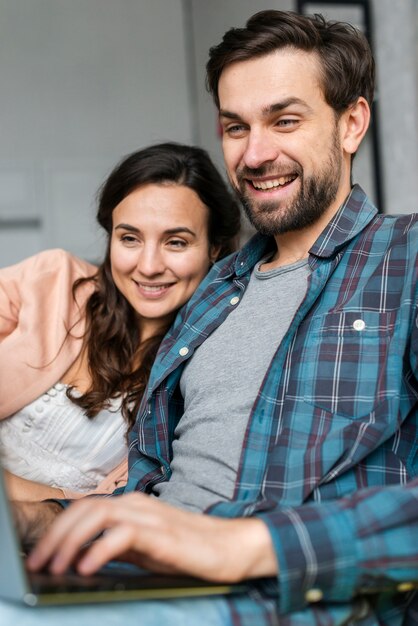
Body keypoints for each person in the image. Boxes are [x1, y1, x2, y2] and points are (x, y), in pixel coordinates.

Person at [16, 10, 418, 626]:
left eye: (285, 120)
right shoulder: (213, 292)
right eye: (236, 127)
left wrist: (244, 545)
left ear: (351, 123)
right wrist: (37, 518)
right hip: (134, 577)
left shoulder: (405, 258)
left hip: (277, 598)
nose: (255, 154)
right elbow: (152, 497)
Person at [0, 141, 240, 501]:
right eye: (129, 238)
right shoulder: (53, 279)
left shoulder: (204, 371)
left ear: (215, 248)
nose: (147, 266)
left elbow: (125, 507)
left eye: (175, 242)